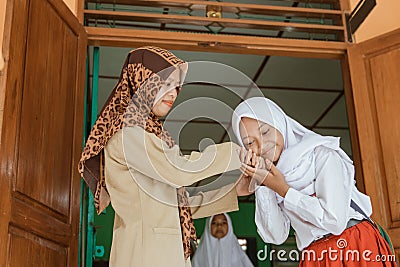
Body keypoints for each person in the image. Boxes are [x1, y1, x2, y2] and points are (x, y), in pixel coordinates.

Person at [78, 46, 244, 267]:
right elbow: (178, 170)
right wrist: (236, 152)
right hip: (145, 255)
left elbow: (179, 206)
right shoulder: (128, 134)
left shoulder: (154, 137)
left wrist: (234, 191)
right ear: (143, 81)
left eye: (177, 87)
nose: (173, 94)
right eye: (166, 84)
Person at [231, 97, 397, 266]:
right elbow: (275, 236)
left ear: (280, 123)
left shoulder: (322, 154)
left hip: (354, 244)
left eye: (265, 132)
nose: (261, 144)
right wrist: (262, 183)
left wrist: (284, 191)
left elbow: (335, 221)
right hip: (314, 256)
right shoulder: (272, 178)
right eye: (250, 142)